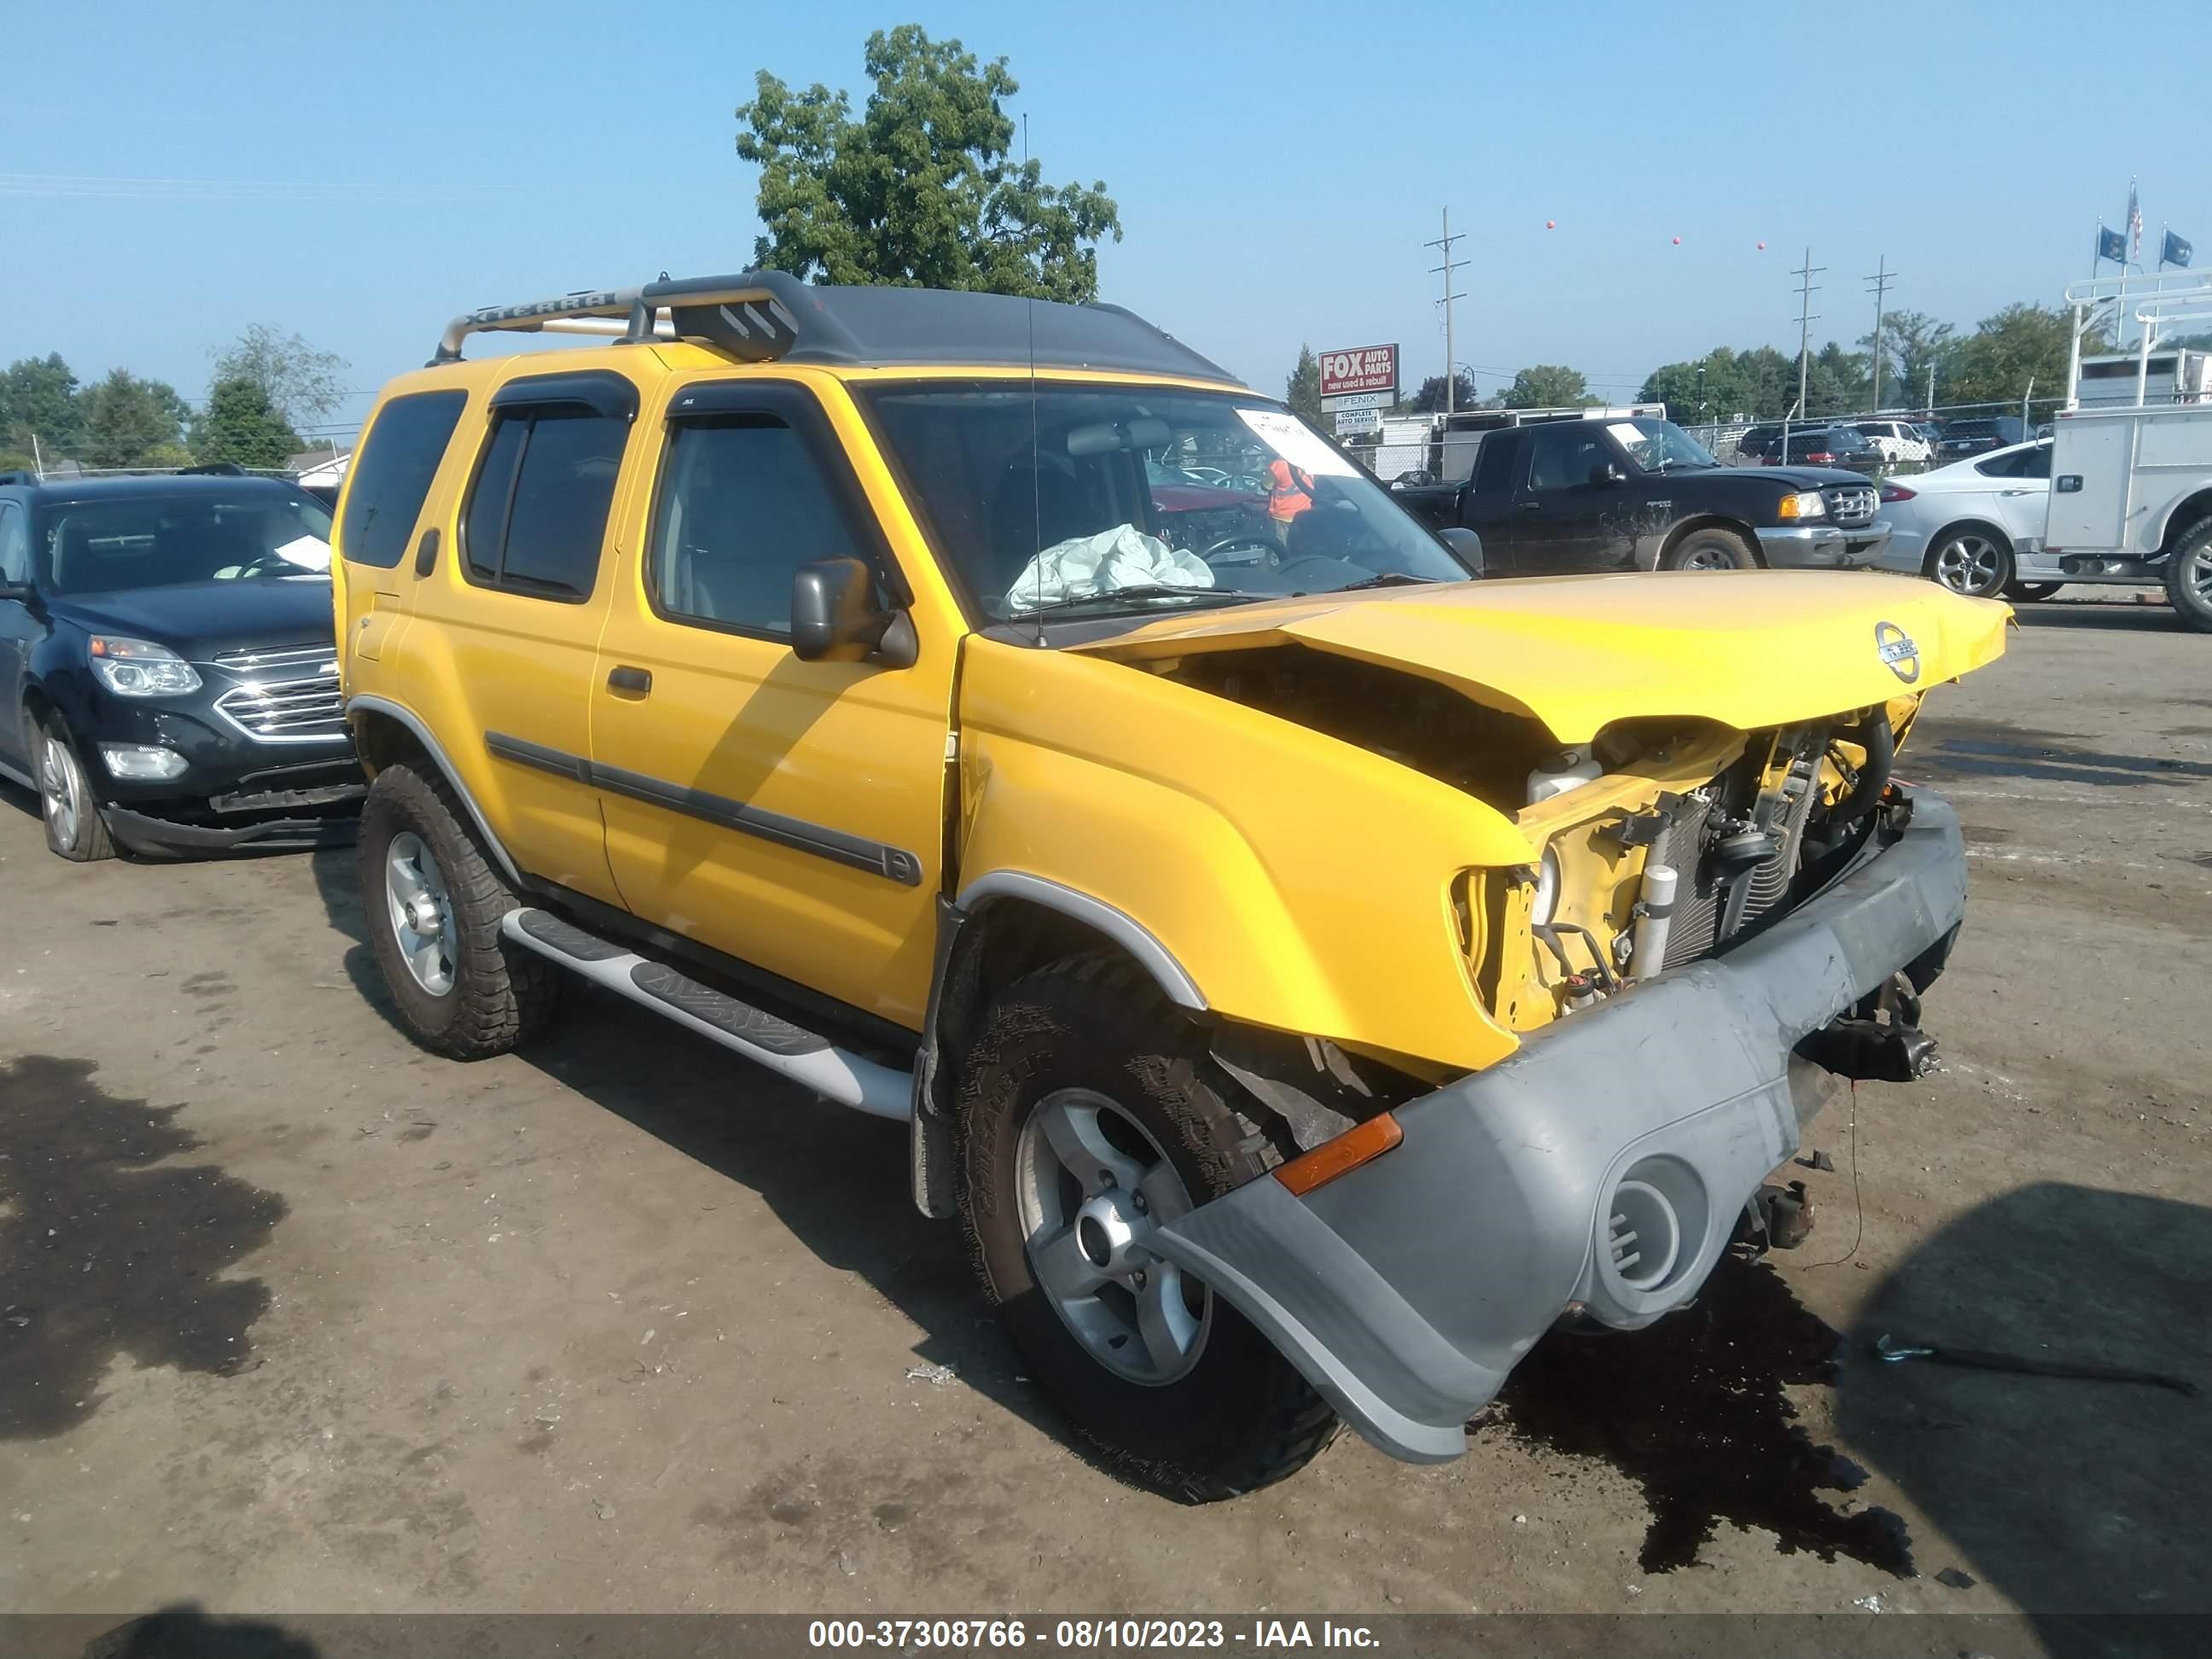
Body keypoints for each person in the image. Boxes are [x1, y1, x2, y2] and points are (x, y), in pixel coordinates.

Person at [1267, 457, 1316, 546]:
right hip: (1305, 515)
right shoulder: (1309, 462)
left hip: (1283, 516)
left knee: (1279, 549)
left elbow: (1266, 485)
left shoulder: (1278, 464)